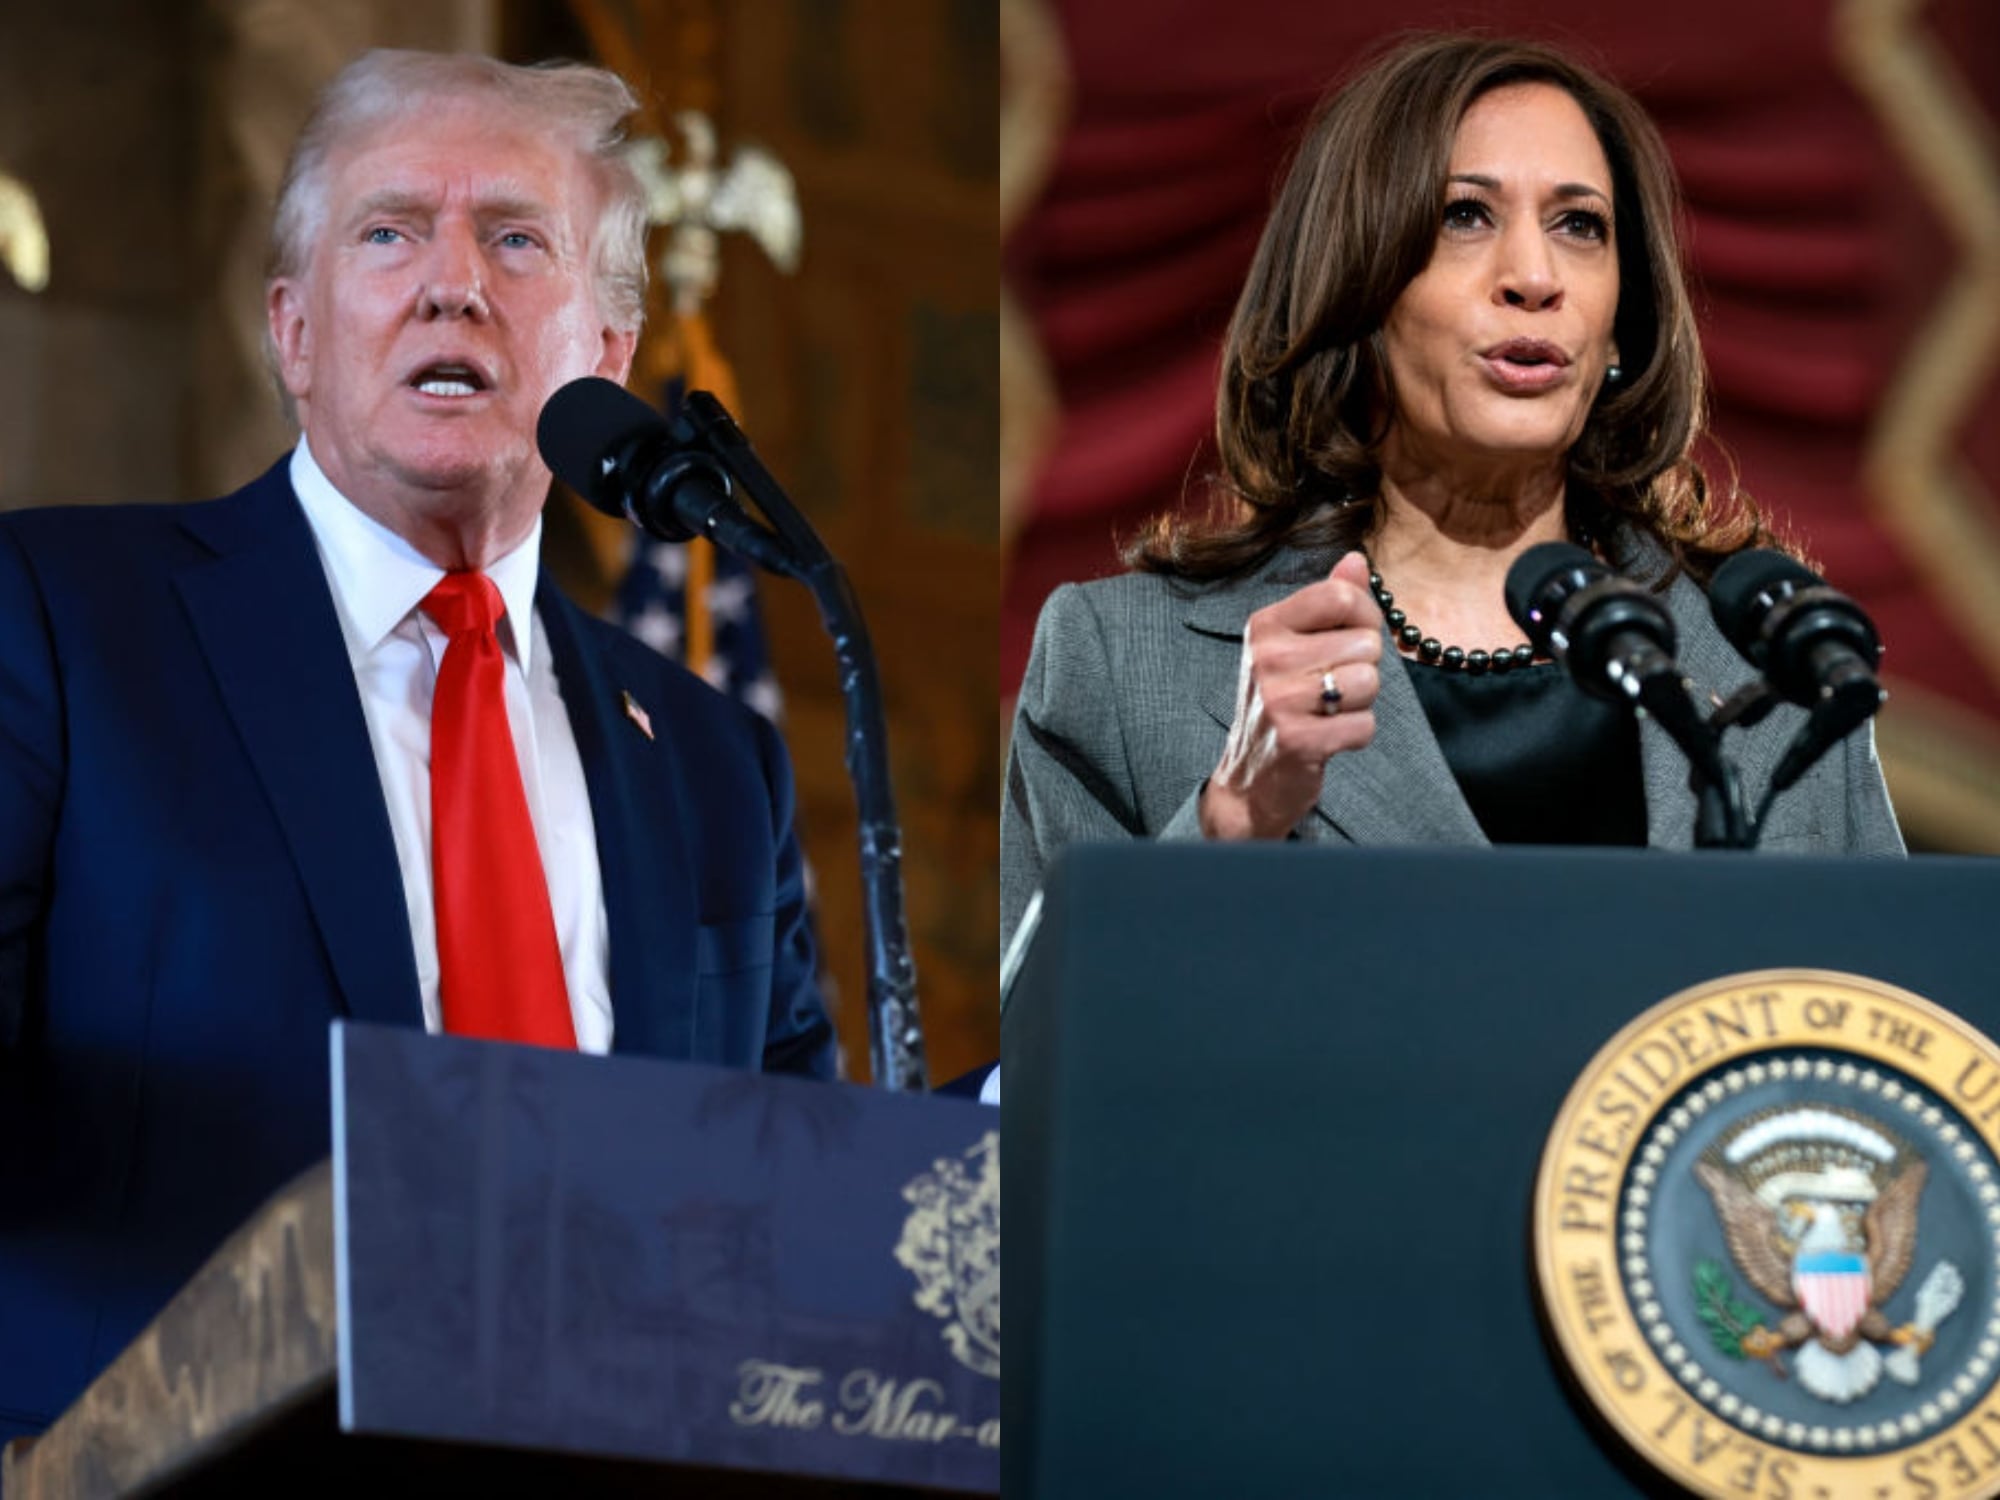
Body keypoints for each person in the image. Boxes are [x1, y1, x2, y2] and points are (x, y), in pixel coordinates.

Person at [0, 50, 834, 1439]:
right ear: (295, 331)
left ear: (609, 359)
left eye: (517, 240)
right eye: (389, 234)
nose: (454, 283)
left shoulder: (711, 765)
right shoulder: (64, 629)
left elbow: (805, 1190)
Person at [1001, 34, 1903, 952]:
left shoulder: (1771, 670)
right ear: (1359, 284)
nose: (1534, 278)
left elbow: (1906, 1038)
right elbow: (1039, 1069)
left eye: (1579, 225)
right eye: (1465, 216)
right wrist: (1233, 817)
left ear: (1621, 323)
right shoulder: (1120, 662)